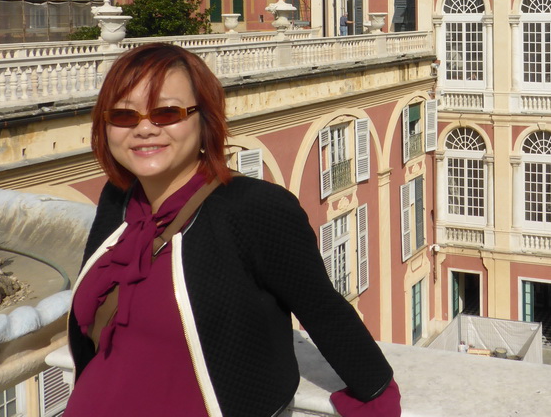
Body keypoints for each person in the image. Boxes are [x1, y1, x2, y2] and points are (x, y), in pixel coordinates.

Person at [65, 43, 400, 417]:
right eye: (124, 116)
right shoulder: (118, 199)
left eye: (166, 112)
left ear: (204, 119)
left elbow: (321, 308)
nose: (145, 129)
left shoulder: (253, 208)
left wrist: (375, 389)